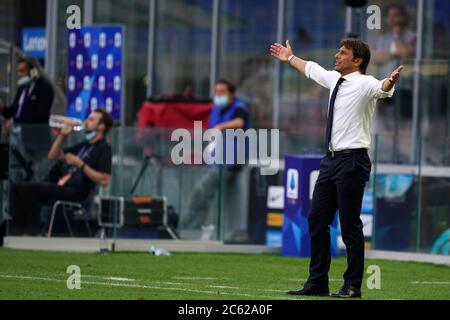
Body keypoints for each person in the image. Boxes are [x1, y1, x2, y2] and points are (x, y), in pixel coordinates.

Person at [270, 38, 403, 298]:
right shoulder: (334, 80)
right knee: (316, 219)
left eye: (343, 53)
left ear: (358, 61)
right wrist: (289, 58)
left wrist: (390, 81)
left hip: (353, 160)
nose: (337, 55)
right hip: (330, 161)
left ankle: (352, 286)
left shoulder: (365, 83)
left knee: (349, 224)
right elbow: (311, 68)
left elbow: (382, 88)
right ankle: (317, 282)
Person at [9, 109, 113, 236]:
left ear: (101, 127)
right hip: (61, 185)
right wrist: (62, 135)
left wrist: (80, 164)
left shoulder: (104, 149)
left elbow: (104, 180)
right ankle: (17, 231)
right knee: (16, 188)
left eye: (91, 120)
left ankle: (32, 232)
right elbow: (53, 155)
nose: (86, 122)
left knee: (29, 190)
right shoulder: (84, 146)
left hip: (77, 191)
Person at [184, 79, 250, 240]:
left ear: (231, 94)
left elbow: (239, 122)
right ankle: (201, 229)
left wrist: (222, 127)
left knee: (201, 191)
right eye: (216, 91)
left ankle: (185, 225)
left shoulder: (239, 108)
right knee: (211, 197)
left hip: (230, 162)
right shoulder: (216, 109)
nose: (218, 95)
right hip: (215, 159)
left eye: (222, 91)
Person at [0, 57, 54, 180]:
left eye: (23, 71)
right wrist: (3, 109)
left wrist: (14, 121)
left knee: (35, 175)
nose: (20, 75)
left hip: (35, 141)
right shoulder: (22, 88)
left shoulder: (45, 87)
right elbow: (14, 112)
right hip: (17, 139)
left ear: (34, 71)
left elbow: (40, 115)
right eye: (18, 71)